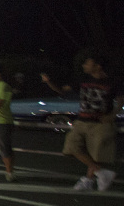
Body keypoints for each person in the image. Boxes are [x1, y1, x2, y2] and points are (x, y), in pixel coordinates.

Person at [41, 53, 121, 191]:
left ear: (98, 66)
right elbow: (61, 90)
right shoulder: (83, 79)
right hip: (81, 121)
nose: (84, 65)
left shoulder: (112, 82)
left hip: (100, 123)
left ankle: (89, 180)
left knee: (97, 154)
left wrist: (113, 115)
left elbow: (121, 99)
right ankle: (101, 173)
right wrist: (49, 82)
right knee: (71, 146)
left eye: (87, 63)